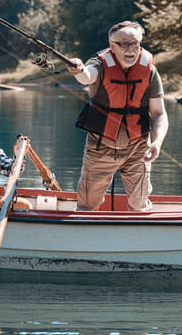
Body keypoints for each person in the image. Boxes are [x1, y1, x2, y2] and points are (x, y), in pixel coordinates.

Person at [68, 21, 169, 211]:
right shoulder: (99, 64)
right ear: (112, 46)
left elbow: (159, 114)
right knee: (87, 204)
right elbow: (87, 76)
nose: (131, 49)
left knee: (139, 204)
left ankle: (137, 235)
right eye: (124, 44)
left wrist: (157, 142)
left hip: (138, 148)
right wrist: (79, 69)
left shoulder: (150, 72)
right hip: (101, 147)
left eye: (135, 44)